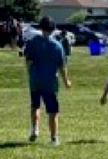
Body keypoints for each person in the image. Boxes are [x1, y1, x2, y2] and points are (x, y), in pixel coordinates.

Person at [24, 16, 72, 146]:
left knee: (35, 106)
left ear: (40, 27)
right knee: (53, 111)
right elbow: (62, 66)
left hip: (35, 79)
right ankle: (54, 138)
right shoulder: (57, 46)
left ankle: (34, 129)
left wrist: (31, 73)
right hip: (50, 82)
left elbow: (28, 61)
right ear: (53, 29)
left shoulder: (32, 41)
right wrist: (66, 81)